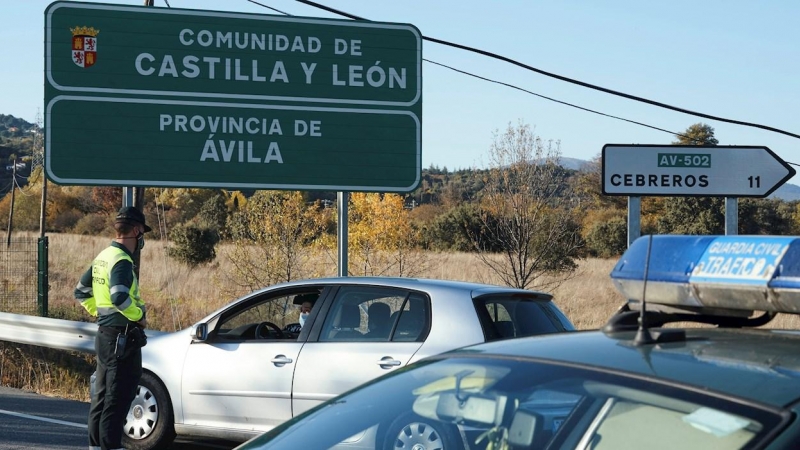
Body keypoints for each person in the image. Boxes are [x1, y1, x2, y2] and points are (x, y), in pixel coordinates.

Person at [74, 206, 152, 450]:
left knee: (102, 397)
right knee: (117, 400)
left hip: (106, 336)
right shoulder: (121, 261)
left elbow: (81, 291)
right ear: (137, 231)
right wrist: (138, 315)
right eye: (142, 234)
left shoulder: (103, 256)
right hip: (122, 339)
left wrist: (100, 312)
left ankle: (96, 446)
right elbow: (119, 297)